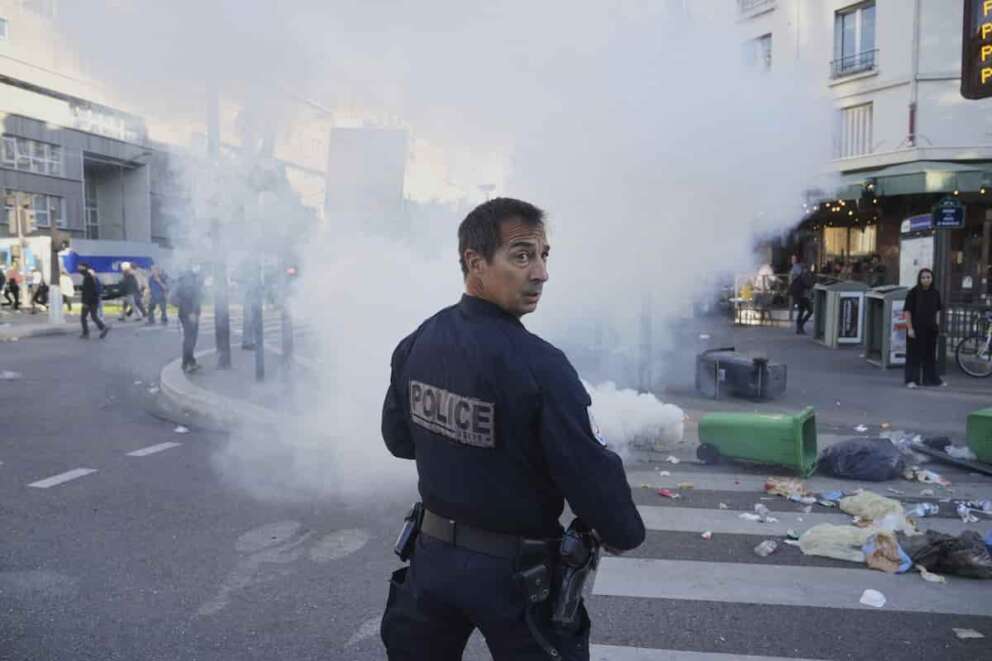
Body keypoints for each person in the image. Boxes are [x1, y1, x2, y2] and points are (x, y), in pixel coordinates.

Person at [379, 198, 645, 661]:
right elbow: (591, 479)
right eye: (521, 256)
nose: (540, 273)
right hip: (517, 577)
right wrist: (624, 533)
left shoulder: (420, 339)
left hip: (432, 561)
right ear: (474, 262)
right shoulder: (542, 366)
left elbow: (399, 441)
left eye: (544, 255)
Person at [904, 267, 944, 388]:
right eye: (923, 277)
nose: (926, 279)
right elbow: (907, 312)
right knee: (913, 355)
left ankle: (932, 379)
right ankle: (911, 380)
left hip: (931, 328)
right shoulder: (913, 293)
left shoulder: (935, 293)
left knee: (930, 355)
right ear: (919, 279)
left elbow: (938, 311)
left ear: (932, 279)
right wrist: (910, 328)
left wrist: (937, 325)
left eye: (928, 277)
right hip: (915, 328)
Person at [173, 267, 202, 373]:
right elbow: (196, 300)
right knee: (191, 339)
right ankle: (187, 363)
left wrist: (181, 305)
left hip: (184, 313)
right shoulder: (192, 284)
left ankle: (190, 361)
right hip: (191, 314)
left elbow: (172, 298)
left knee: (189, 339)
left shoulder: (180, 282)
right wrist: (192, 312)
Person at [79, 263, 109, 339]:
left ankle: (86, 333)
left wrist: (85, 302)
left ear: (85, 268)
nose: (79, 269)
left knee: (83, 317)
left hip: (89, 301)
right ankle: (103, 327)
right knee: (93, 316)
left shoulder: (88, 277)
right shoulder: (92, 276)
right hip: (94, 300)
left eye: (80, 268)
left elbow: (88, 291)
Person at [790, 265, 814, 335]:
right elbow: (808, 285)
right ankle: (800, 325)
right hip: (803, 297)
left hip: (798, 297)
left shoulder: (799, 277)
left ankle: (799, 328)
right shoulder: (805, 276)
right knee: (810, 311)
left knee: (801, 312)